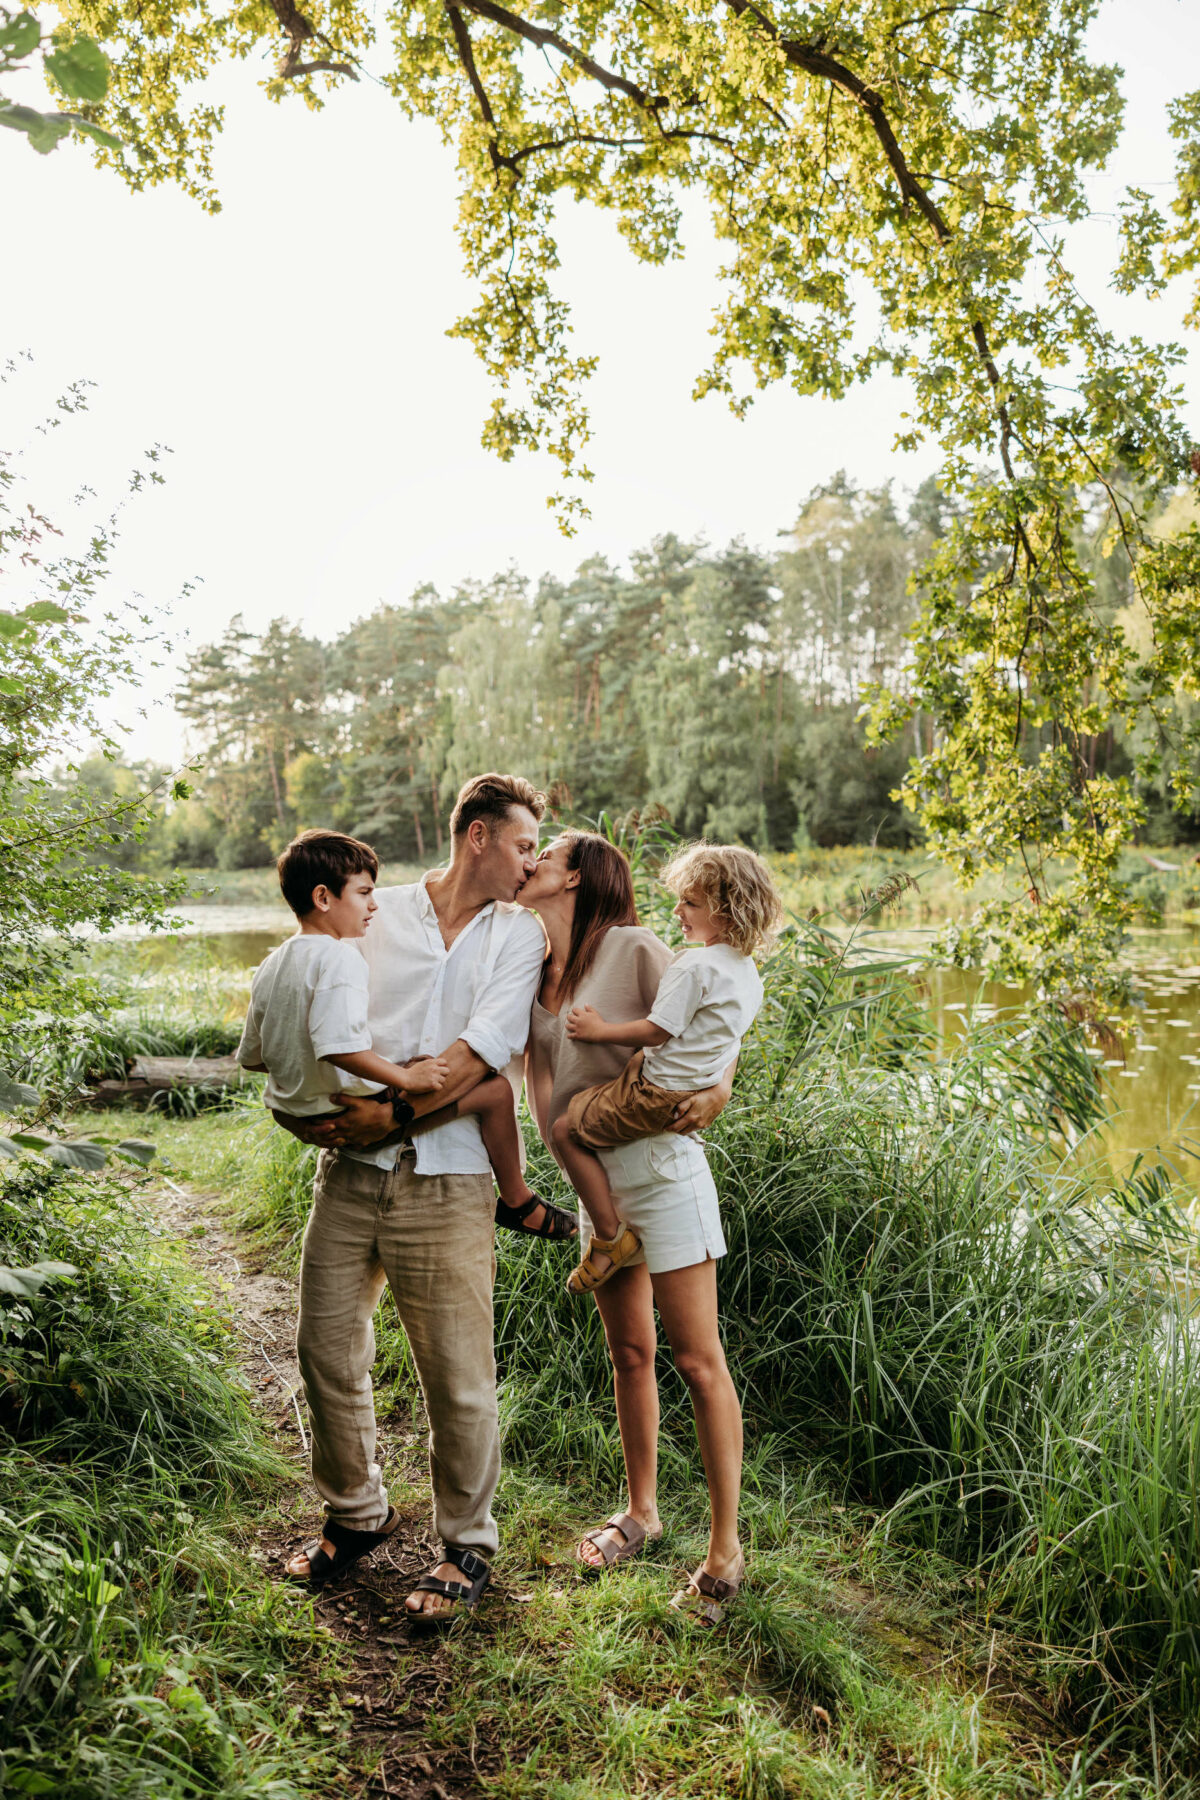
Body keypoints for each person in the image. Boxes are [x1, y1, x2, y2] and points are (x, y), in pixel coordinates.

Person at [268, 773, 567, 1620]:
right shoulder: (374, 912)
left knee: (458, 1375)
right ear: (477, 836)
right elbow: (307, 1002)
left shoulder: (520, 936)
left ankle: (466, 1544)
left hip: (451, 1174)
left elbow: (484, 1052)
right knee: (325, 1350)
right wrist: (300, 1113)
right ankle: (357, 1514)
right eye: (519, 844)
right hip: (349, 1175)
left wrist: (389, 1113)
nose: (528, 861)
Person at [518, 831, 750, 1627]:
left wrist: (718, 1091)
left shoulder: (637, 945)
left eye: (541, 855)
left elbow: (717, 1025)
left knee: (696, 1358)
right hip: (597, 1183)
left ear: (575, 875)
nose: (530, 865)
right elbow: (540, 1081)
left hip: (663, 1170)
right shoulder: (536, 966)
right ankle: (642, 1513)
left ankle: (725, 1552)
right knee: (628, 1351)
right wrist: (554, 1147)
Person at [554, 843, 781, 1297]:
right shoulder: (748, 974)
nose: (678, 909)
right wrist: (718, 1085)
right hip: (677, 1093)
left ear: (729, 910)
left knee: (563, 1131)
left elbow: (658, 1031)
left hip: (652, 1095)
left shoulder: (693, 964)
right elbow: (724, 1038)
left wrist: (599, 1030)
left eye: (691, 903)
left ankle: (608, 1239)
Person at [235, 829, 451, 1117]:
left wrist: (306, 1078)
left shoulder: (271, 963)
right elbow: (340, 1049)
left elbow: (252, 1058)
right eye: (363, 893)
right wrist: (406, 1078)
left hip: (294, 1108)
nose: (374, 904)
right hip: (342, 1106)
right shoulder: (339, 957)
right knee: (487, 1091)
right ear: (322, 898)